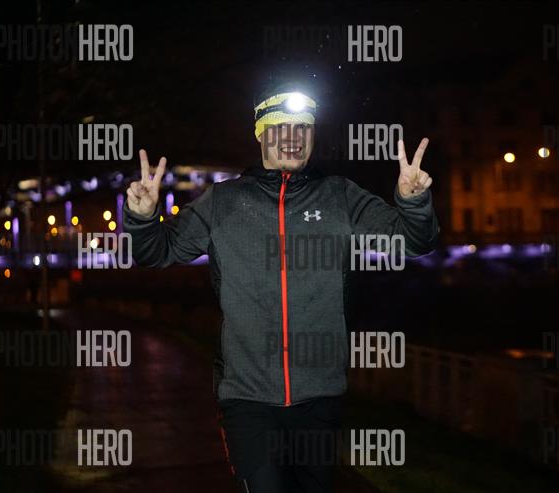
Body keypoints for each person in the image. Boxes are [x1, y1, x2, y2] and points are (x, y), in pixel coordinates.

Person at [123, 83, 438, 492]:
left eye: (302, 128)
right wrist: (142, 217)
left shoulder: (340, 196)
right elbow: (156, 252)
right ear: (260, 136)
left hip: (320, 399)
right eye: (279, 128)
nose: (293, 137)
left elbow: (413, 241)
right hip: (247, 401)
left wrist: (413, 202)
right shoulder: (223, 201)